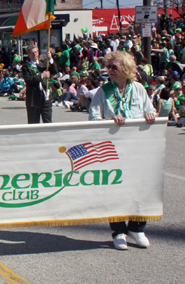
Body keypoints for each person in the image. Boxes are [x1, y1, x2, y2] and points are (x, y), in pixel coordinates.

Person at [89, 51, 156, 250]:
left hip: (137, 148)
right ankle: (119, 231)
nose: (109, 71)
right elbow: (93, 119)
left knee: (140, 187)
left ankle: (137, 228)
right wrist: (110, 121)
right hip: (113, 150)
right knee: (116, 188)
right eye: (108, 67)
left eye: (114, 67)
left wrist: (151, 114)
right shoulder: (103, 91)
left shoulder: (139, 89)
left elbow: (149, 110)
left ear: (126, 70)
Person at [22, 45, 58, 123]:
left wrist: (50, 59)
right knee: (33, 122)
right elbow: (28, 79)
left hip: (45, 95)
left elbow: (54, 71)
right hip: (34, 97)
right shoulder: (26, 67)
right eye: (32, 53)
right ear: (29, 55)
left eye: (36, 52)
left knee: (48, 121)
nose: (34, 54)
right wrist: (42, 76)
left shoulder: (44, 63)